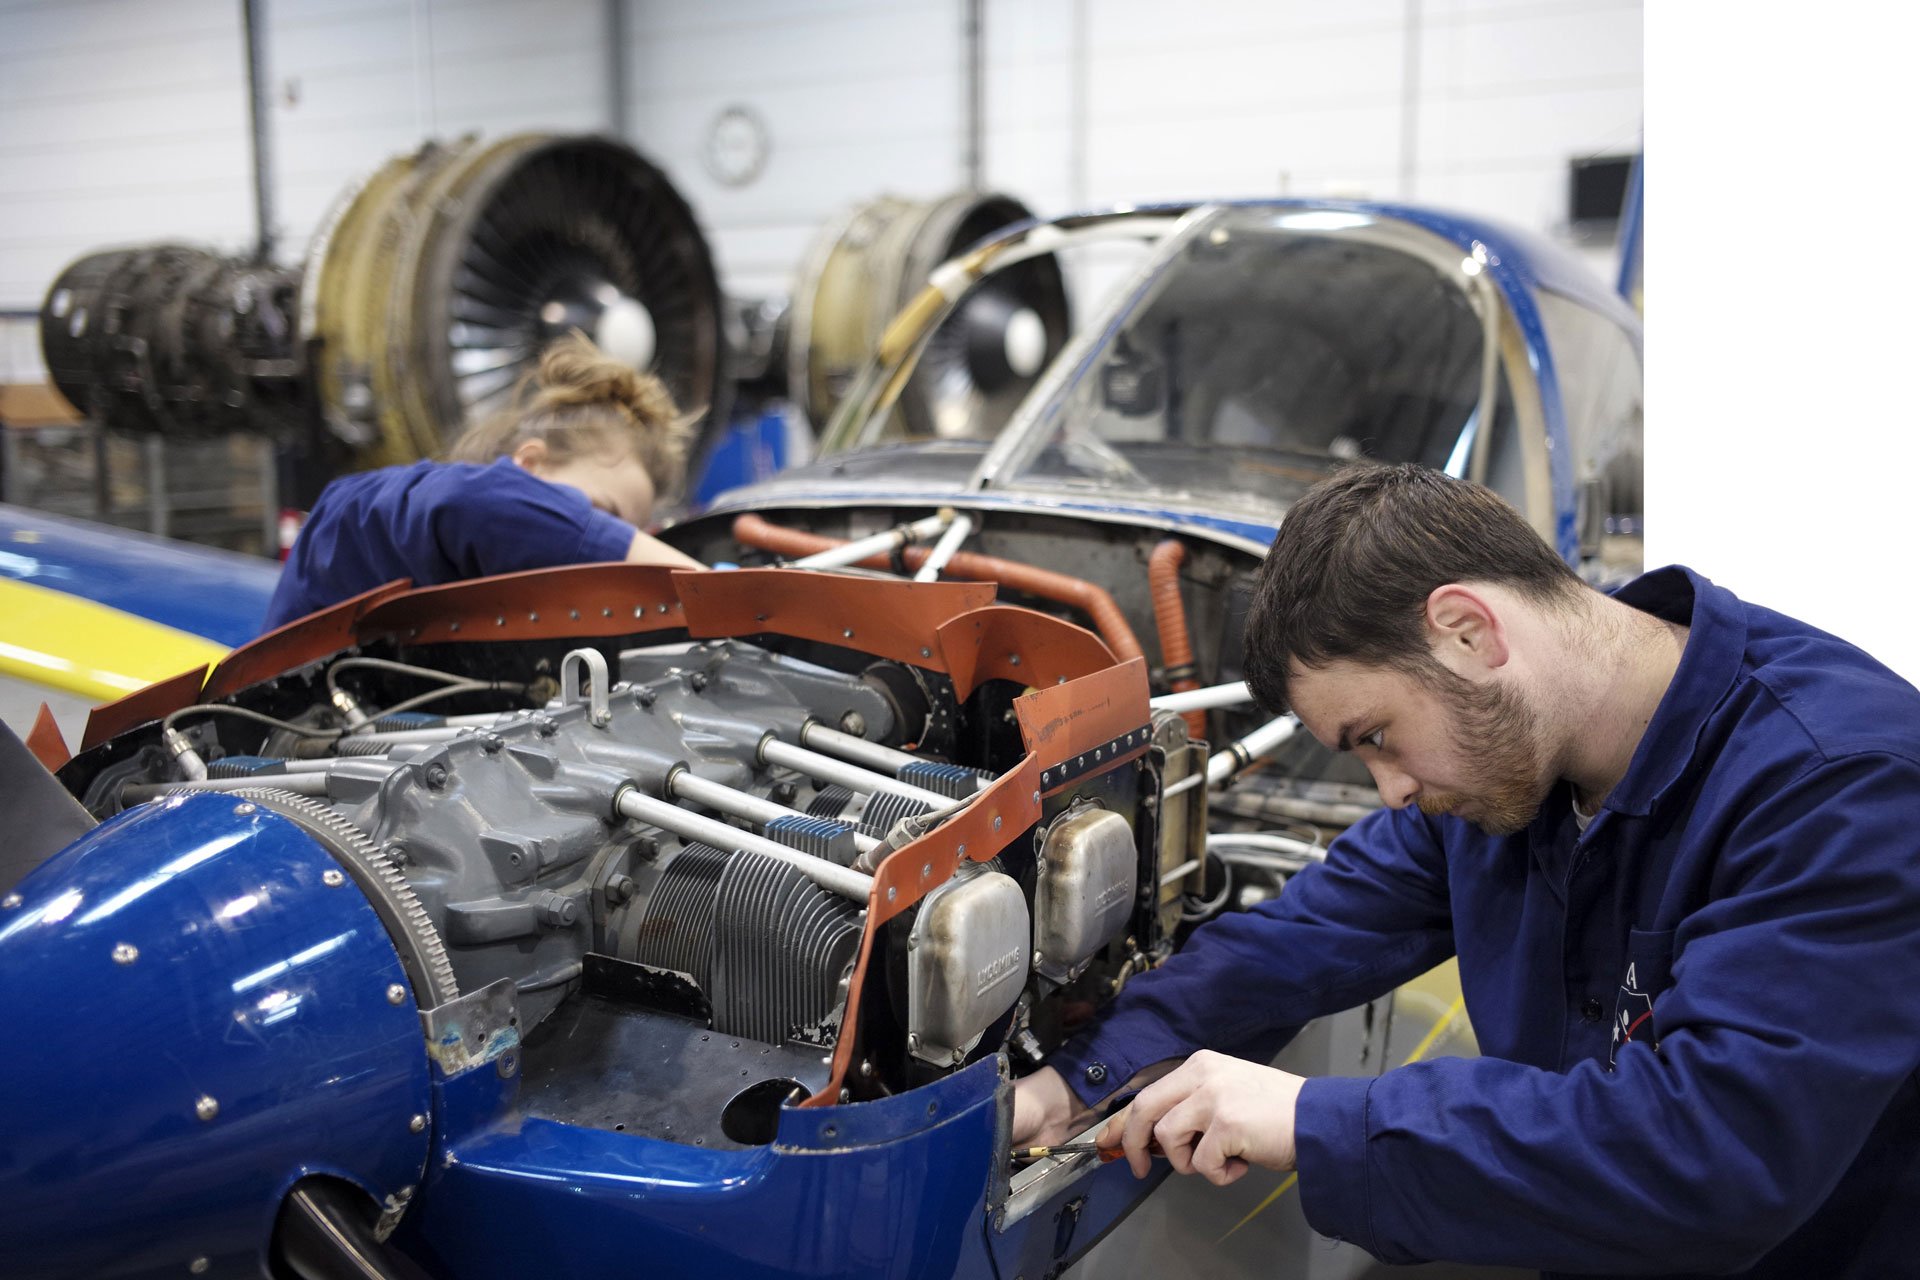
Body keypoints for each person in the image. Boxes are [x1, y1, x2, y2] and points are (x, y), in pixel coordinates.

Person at [1013, 463, 1920, 1278]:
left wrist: (1311, 1119)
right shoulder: (1506, 774)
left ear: (1468, 631)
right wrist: (1076, 1083)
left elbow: (1714, 1156)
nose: (1392, 791)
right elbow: (1303, 936)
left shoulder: (1839, 786)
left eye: (1376, 738)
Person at [263, 333, 704, 629]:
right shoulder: (383, 509)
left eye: (630, 532)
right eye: (602, 513)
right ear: (530, 465)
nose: (615, 551)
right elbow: (473, 504)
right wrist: (718, 589)